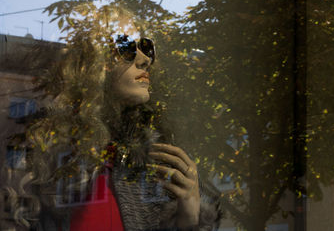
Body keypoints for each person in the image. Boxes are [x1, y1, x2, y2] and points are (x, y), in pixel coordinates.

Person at [4, 27, 221, 230]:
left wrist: (190, 217)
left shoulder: (162, 158)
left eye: (146, 48)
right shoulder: (52, 154)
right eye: (126, 47)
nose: (144, 60)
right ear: (93, 65)